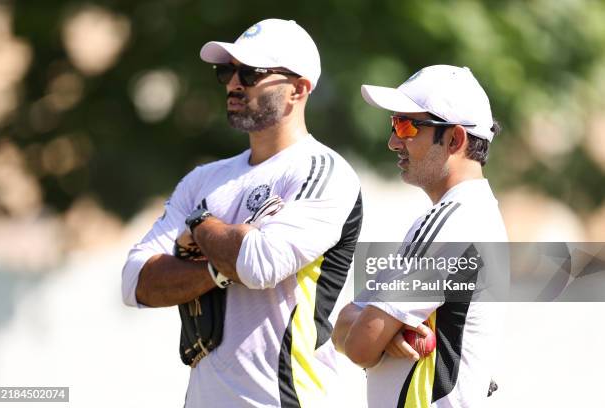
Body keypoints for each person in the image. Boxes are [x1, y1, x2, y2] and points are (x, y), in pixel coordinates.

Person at [121, 18, 362, 408]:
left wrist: (199, 225)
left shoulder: (322, 170)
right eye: (227, 71)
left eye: (250, 73)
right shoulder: (204, 179)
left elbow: (258, 264)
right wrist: (217, 268)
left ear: (298, 89)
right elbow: (135, 282)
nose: (234, 83)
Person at [332, 65, 508, 407]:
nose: (393, 141)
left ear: (455, 139)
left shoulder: (451, 223)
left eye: (407, 125)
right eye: (395, 124)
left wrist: (377, 330)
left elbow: (358, 345)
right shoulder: (467, 215)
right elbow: (342, 326)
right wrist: (387, 328)